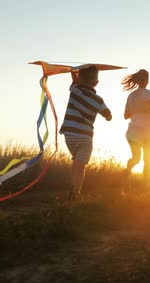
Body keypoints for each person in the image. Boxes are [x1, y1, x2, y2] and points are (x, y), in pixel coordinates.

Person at [59, 65, 112, 200]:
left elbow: (75, 82)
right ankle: (75, 193)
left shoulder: (75, 90)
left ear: (79, 79)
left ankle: (73, 189)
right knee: (80, 167)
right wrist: (107, 115)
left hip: (69, 135)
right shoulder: (98, 100)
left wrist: (74, 77)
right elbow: (108, 115)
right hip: (85, 138)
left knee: (76, 163)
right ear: (96, 83)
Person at [121, 69, 150, 181]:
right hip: (147, 131)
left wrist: (136, 111)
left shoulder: (131, 96)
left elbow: (126, 116)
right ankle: (145, 185)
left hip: (132, 132)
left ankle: (127, 171)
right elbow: (149, 107)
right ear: (147, 80)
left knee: (136, 158)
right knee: (147, 159)